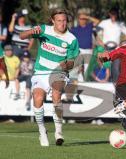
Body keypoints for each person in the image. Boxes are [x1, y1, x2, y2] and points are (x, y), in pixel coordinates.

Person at [20, 8, 79, 147]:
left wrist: (66, 65)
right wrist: (30, 32)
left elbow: (71, 62)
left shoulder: (72, 39)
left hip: (58, 73)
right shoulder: (44, 29)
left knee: (56, 94)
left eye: (64, 20)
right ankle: (42, 131)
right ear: (53, 21)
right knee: (38, 98)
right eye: (59, 21)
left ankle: (58, 132)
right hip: (40, 72)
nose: (62, 23)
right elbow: (22, 36)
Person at [98, 8, 126, 82]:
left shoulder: (120, 24)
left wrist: (122, 42)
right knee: (106, 66)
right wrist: (100, 41)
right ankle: (105, 83)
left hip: (116, 49)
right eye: (112, 14)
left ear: (117, 14)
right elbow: (96, 31)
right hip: (106, 48)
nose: (113, 15)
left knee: (116, 67)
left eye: (115, 14)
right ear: (109, 14)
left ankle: (116, 85)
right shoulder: (104, 22)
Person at [70, 8, 100, 79]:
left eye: (83, 19)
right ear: (78, 20)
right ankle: (80, 82)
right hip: (79, 50)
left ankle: (85, 82)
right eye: (80, 19)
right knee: (78, 67)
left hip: (88, 50)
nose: (82, 20)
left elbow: (97, 21)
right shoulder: (74, 29)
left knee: (87, 68)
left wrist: (86, 17)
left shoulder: (89, 26)